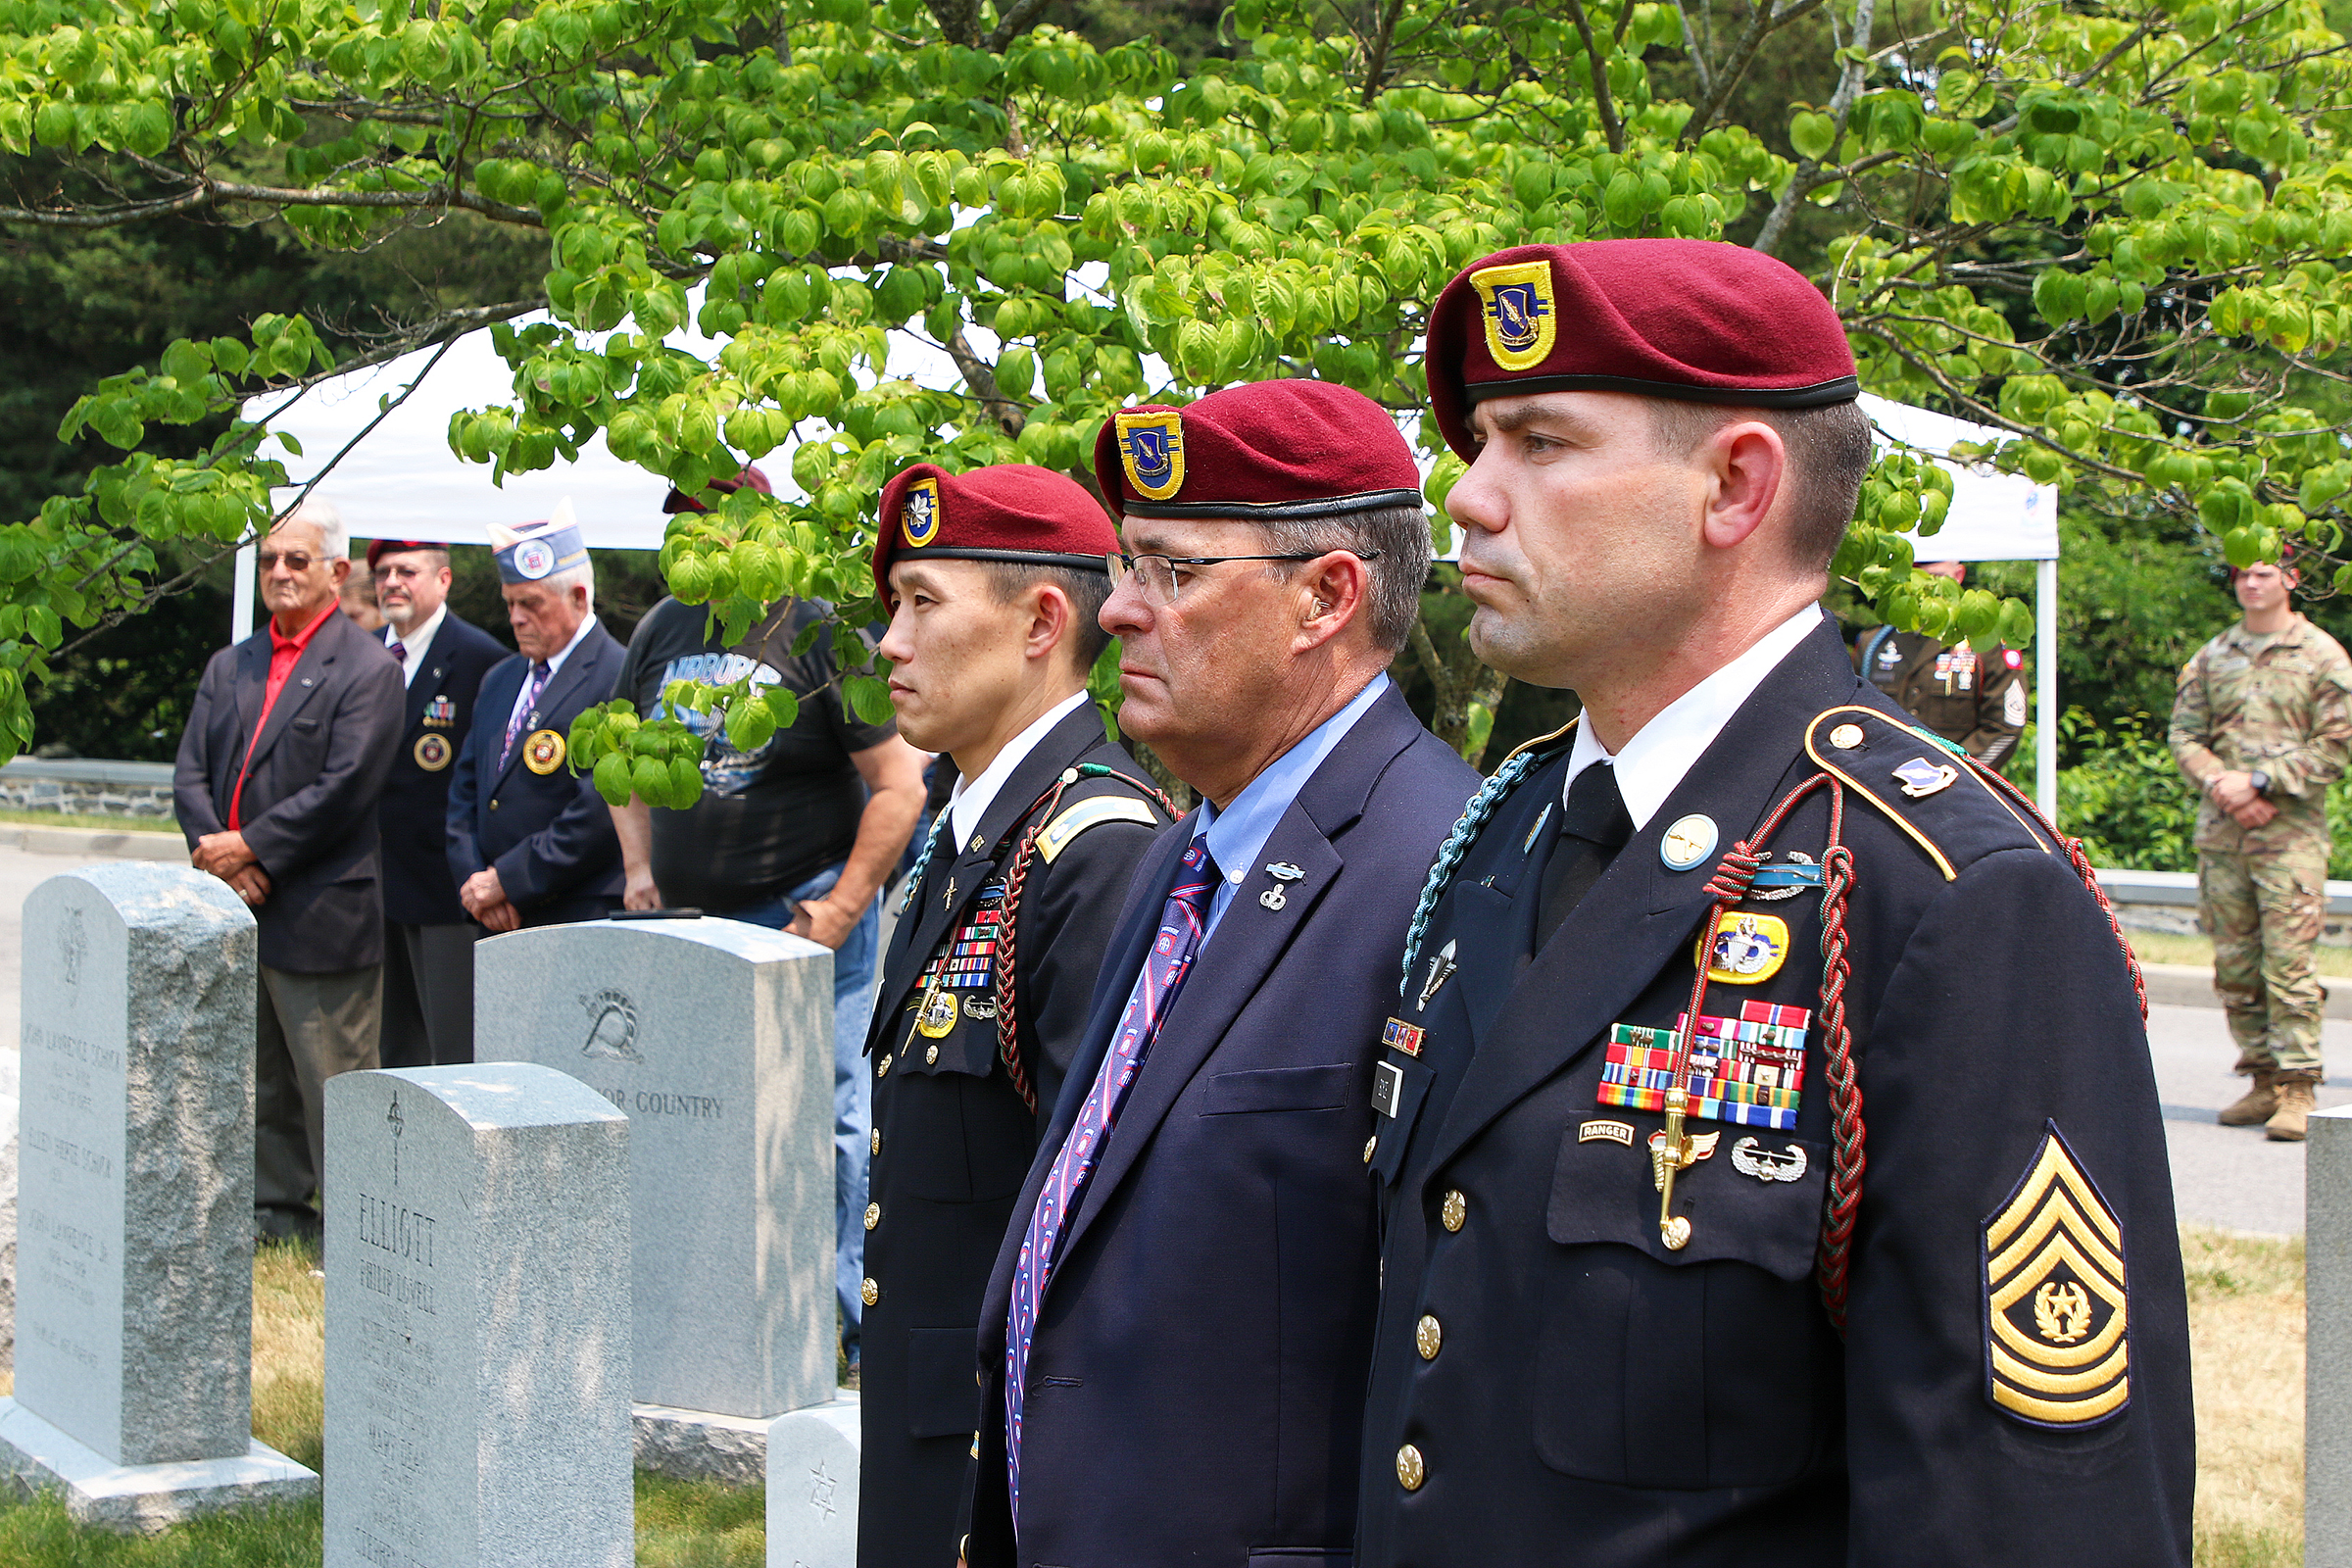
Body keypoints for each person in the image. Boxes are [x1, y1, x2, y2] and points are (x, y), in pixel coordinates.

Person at [1353, 240, 2193, 1566]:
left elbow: (2028, 1515)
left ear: (1736, 487)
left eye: (1542, 444)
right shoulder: (1503, 828)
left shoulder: (1948, 895)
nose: (1469, 497)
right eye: (1479, 444)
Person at [961, 380, 1480, 1568]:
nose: (1123, 613)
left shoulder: (1442, 869)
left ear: (1326, 597)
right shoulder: (1186, 850)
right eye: (1127, 569)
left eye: (1172, 572)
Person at [857, 462, 1173, 1568]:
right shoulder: (968, 838)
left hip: (1003, 1459)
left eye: (923, 602)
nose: (890, 642)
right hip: (929, 1423)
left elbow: (1098, 1230)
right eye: (891, 606)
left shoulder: (1094, 850)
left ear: (1043, 621)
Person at [611, 466, 928, 1373]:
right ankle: (705, 1313)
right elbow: (622, 760)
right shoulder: (664, 628)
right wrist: (637, 868)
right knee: (689, 1116)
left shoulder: (821, 628)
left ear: (758, 520)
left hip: (799, 918)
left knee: (828, 1122)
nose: (694, 538)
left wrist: (839, 908)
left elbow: (899, 786)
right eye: (682, 523)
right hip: (690, 926)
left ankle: (851, 1332)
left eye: (711, 519)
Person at [172, 499, 403, 1246]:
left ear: (336, 571)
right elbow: (190, 777)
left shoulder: (368, 668)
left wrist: (253, 849)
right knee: (259, 1078)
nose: (279, 572)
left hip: (320, 910)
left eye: (295, 560)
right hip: (236, 905)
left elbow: (345, 788)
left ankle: (356, 1233)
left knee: (332, 1084)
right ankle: (273, 1216)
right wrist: (225, 858)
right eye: (270, 559)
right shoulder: (229, 663)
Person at [2169, 554, 2352, 1141]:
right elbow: (2185, 734)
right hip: (2224, 833)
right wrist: (2225, 785)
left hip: (2289, 837)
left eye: (2265, 573)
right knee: (2235, 965)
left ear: (2290, 580)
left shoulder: (2322, 655)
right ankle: (2261, 1078)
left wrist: (2263, 781)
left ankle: (2299, 1086)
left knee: (2289, 963)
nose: (2251, 583)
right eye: (2243, 574)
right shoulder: (2212, 655)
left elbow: (2338, 743)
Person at [445, 507, 627, 931]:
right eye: (509, 603)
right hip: (491, 912)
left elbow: (599, 808)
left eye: (530, 604)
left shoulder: (618, 674)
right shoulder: (501, 677)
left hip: (574, 910)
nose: (514, 618)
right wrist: (476, 883)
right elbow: (465, 791)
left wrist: (509, 880)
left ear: (578, 598)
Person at [368, 538, 507, 1068]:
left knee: (451, 1051)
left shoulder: (480, 658)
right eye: (382, 572)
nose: (392, 583)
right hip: (370, 887)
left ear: (444, 580)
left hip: (444, 889)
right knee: (388, 1052)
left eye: (407, 570)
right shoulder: (361, 653)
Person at [1854, 559, 2026, 766]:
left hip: (1958, 783)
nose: (1926, 589)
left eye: (1937, 579)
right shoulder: (1874, 643)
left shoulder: (1986, 644)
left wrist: (1956, 774)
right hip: (1879, 778)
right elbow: (1850, 716)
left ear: (1958, 576)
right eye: (1916, 578)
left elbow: (2005, 728)